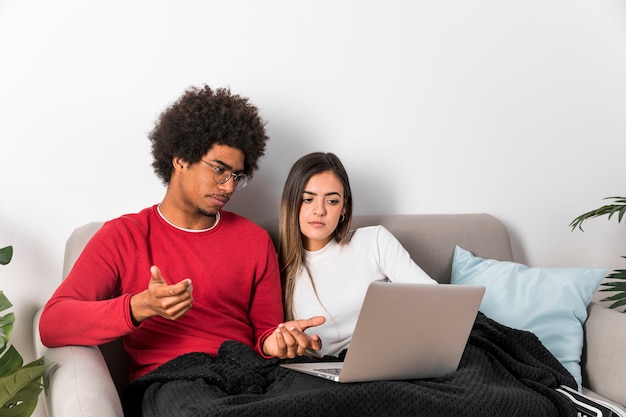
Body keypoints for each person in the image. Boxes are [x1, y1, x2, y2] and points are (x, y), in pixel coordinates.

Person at [39, 85, 324, 383]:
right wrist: (139, 307)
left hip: (247, 374)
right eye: (219, 169)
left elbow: (266, 333)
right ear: (180, 160)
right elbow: (53, 323)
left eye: (236, 177)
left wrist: (278, 341)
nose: (228, 186)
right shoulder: (123, 236)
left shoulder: (254, 240)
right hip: (173, 381)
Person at [278, 152, 438, 357]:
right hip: (333, 371)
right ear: (292, 203)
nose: (319, 211)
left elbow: (434, 298)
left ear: (344, 207)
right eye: (308, 199)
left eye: (332, 201)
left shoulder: (375, 241)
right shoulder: (278, 268)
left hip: (396, 354)